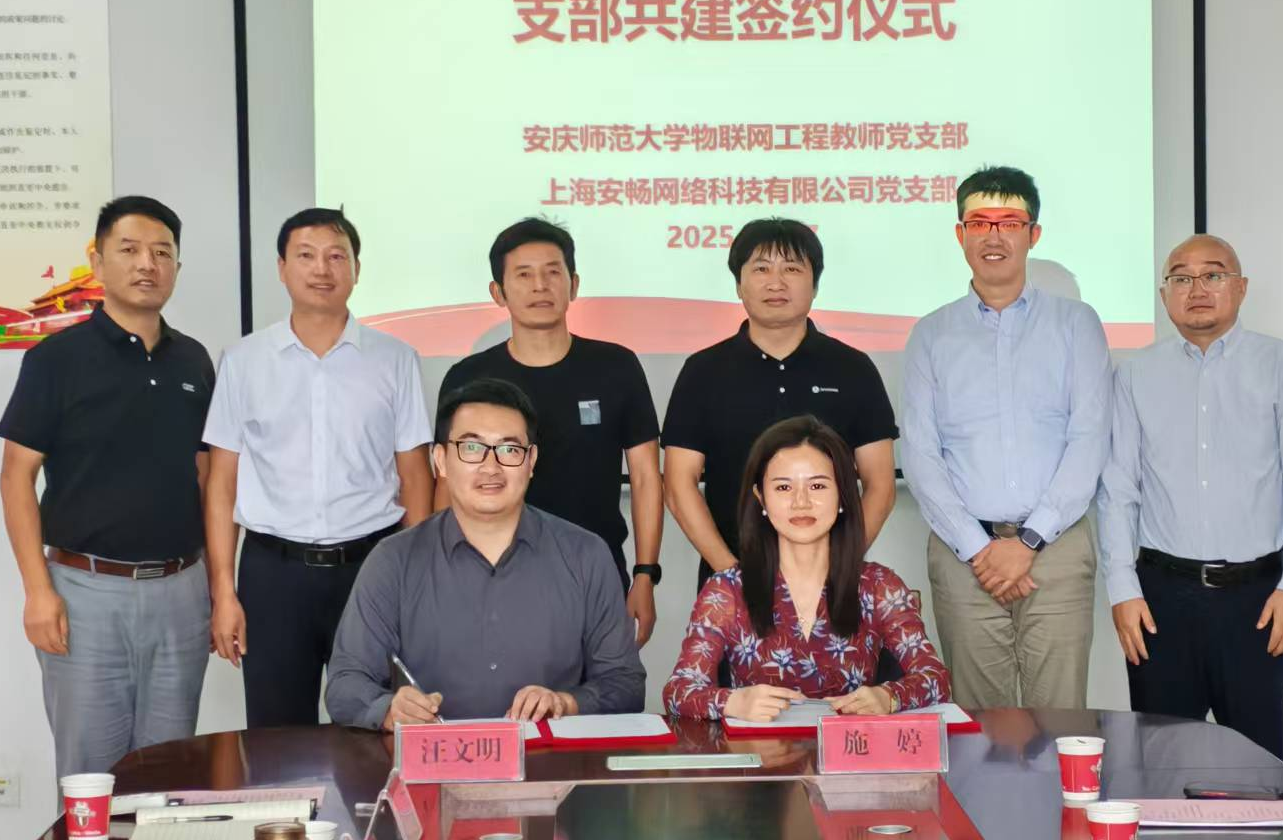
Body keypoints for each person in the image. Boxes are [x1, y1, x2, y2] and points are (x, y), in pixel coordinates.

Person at [0, 196, 215, 777]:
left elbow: (207, 477)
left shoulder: (193, 361)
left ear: (176, 267)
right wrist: (38, 591)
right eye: (130, 249)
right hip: (85, 592)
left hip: (181, 592)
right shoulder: (56, 359)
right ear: (97, 262)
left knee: (168, 774)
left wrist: (218, 587)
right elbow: (16, 476)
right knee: (91, 777)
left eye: (162, 253)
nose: (148, 264)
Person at [1097, 234, 1283, 759]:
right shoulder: (1134, 374)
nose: (1197, 288)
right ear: (1165, 295)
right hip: (1160, 599)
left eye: (1213, 275)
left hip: (1257, 600)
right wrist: (1122, 590)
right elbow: (1118, 490)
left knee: (1256, 765)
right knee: (1159, 761)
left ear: (1241, 288)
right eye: (1181, 277)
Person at [202, 207, 433, 728]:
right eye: (306, 255)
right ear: (282, 268)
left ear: (356, 269)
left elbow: (416, 476)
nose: (322, 269)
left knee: (376, 724)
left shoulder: (395, 358)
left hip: (370, 569)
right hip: (272, 573)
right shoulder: (243, 360)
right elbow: (222, 484)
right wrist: (223, 591)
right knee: (277, 735)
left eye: (336, 256)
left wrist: (415, 582)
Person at [902, 165, 1111, 711]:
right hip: (963, 554)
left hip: (1057, 549)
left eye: (1010, 222)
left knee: (1060, 718)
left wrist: (1029, 541)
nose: (993, 235)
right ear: (960, 234)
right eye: (979, 222)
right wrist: (979, 550)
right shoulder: (930, 334)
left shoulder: (1076, 324)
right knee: (979, 724)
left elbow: (1089, 438)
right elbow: (919, 454)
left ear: (1033, 234)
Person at [325, 378, 644, 726]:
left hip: (546, 758)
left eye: (509, 450)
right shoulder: (393, 560)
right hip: (435, 757)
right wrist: (389, 709)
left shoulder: (585, 556)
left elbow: (625, 684)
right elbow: (346, 684)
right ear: (441, 461)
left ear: (531, 461)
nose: (491, 467)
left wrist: (566, 703)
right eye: (472, 448)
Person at [439, 218, 664, 644]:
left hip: (596, 570)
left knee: (602, 683)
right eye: (524, 275)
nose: (540, 286)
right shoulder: (469, 377)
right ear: (498, 292)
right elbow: (447, 484)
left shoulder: (615, 366)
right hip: (488, 571)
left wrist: (645, 574)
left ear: (573, 285)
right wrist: (442, 574)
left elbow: (645, 476)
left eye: (552, 272)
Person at [663, 415, 948, 721]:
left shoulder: (879, 586)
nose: (801, 502)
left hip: (851, 749)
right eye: (783, 487)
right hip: (759, 751)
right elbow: (679, 691)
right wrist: (732, 703)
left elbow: (935, 678)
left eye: (817, 486)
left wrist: (888, 697)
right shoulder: (727, 591)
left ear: (842, 494)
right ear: (761, 498)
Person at [663, 218, 898, 589]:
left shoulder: (853, 368)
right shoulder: (703, 371)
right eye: (761, 269)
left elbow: (880, 484)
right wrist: (731, 576)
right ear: (738, 284)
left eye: (792, 269)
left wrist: (835, 567)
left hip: (833, 583)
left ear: (815, 285)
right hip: (732, 581)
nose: (776, 283)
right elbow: (679, 485)